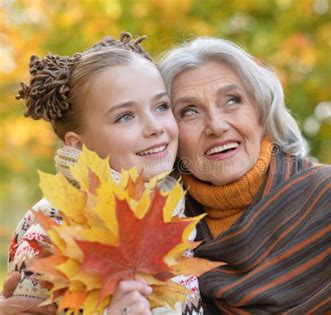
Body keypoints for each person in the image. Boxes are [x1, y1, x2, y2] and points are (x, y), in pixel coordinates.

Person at [156, 37, 331, 313]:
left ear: (262, 114)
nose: (216, 125)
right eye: (189, 111)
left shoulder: (329, 194)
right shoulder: (165, 226)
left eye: (232, 100)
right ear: (169, 133)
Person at [2, 33, 202, 315]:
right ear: (80, 145)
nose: (155, 126)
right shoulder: (58, 225)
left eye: (161, 106)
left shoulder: (175, 204)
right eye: (125, 117)